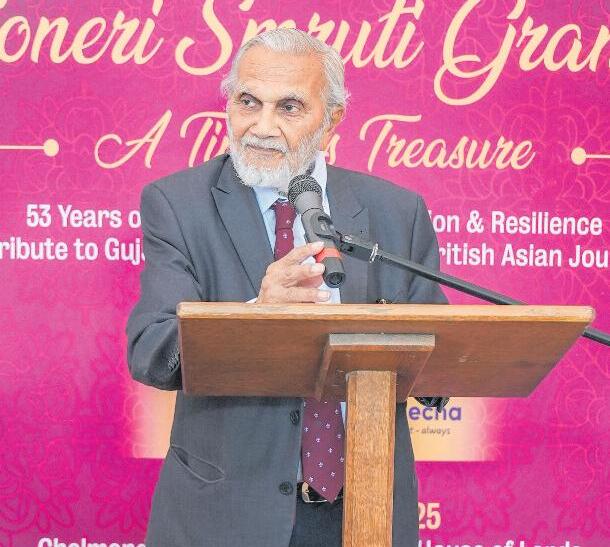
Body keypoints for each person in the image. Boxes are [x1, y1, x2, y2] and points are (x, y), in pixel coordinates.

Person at [126, 28, 447, 547]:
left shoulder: (396, 212)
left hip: (365, 511)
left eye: (289, 107)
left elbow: (437, 369)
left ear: (332, 119)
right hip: (227, 516)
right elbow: (152, 352)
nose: (262, 126)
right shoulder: (178, 205)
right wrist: (255, 314)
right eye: (248, 101)